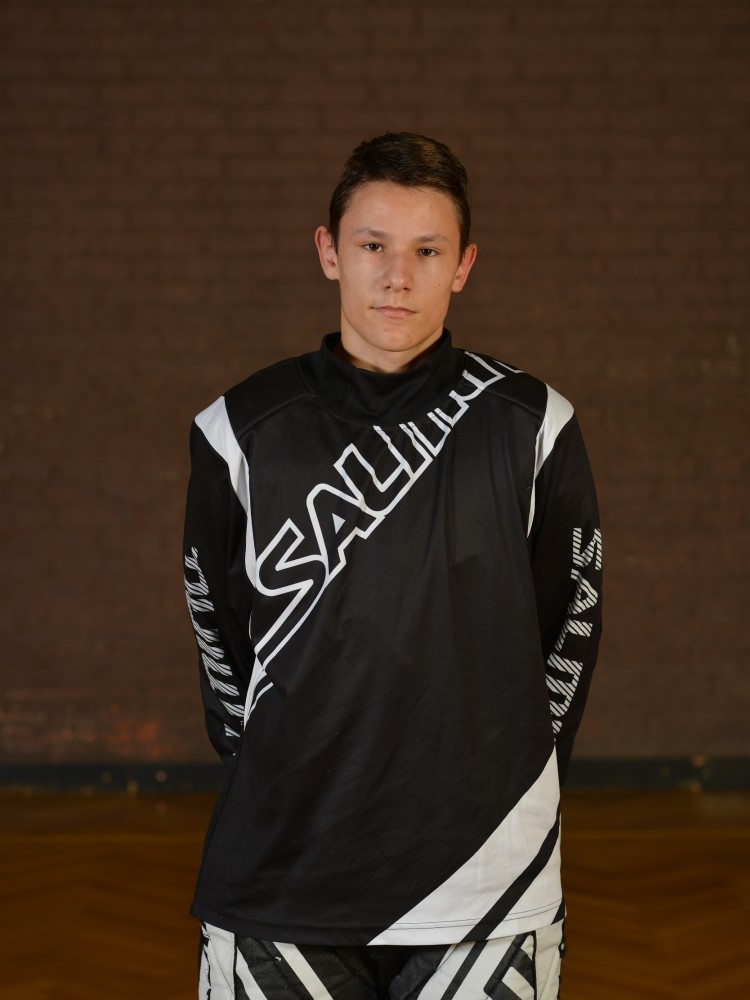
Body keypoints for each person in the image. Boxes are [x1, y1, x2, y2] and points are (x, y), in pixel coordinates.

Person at [183, 132, 602, 1000]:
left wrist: (512, 781)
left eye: (427, 251)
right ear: (329, 252)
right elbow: (218, 633)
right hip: (283, 868)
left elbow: (569, 628)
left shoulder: (535, 425)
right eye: (373, 245)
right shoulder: (240, 430)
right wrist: (276, 770)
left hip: (487, 877)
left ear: (464, 265)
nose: (397, 277)